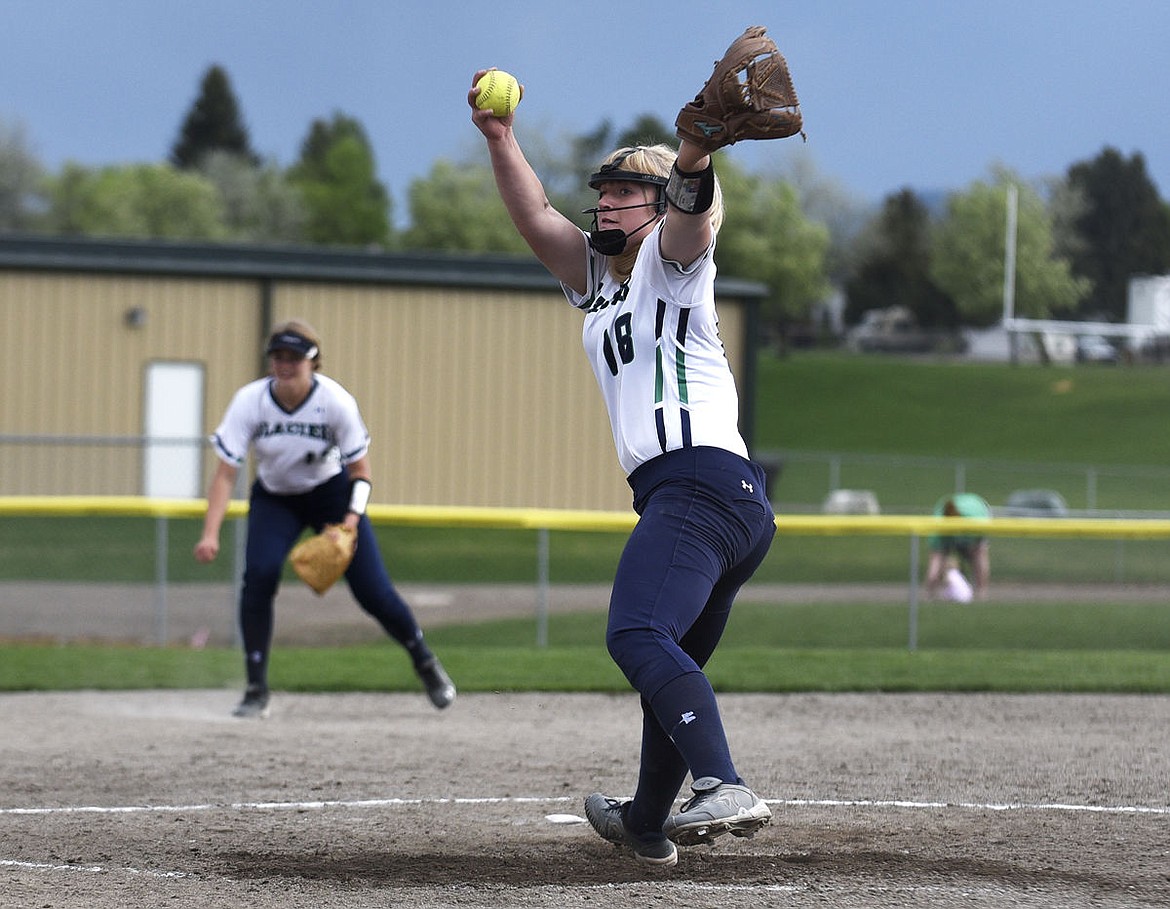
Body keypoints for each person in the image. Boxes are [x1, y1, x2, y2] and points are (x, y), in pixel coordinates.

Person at [469, 74, 778, 868]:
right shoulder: (600, 287)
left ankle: (725, 781)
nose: (605, 205)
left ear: (660, 204)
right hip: (718, 498)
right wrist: (502, 140)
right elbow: (536, 215)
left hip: (699, 485)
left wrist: (694, 151)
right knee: (665, 659)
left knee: (636, 632)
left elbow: (691, 221)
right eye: (601, 193)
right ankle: (645, 821)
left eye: (622, 194)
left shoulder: (671, 267)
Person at [194, 319, 456, 718]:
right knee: (259, 576)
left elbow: (361, 472)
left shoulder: (334, 401)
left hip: (332, 497)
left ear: (313, 361)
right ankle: (255, 687)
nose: (285, 364)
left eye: (294, 357)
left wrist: (350, 522)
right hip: (276, 499)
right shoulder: (250, 401)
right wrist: (210, 533)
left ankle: (424, 660)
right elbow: (225, 473)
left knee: (373, 592)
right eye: (278, 356)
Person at [924, 493, 992, 600]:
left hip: (975, 514)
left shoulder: (977, 519)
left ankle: (981, 593)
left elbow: (979, 548)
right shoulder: (938, 524)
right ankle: (930, 594)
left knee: (978, 554)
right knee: (936, 564)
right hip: (948, 528)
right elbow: (936, 560)